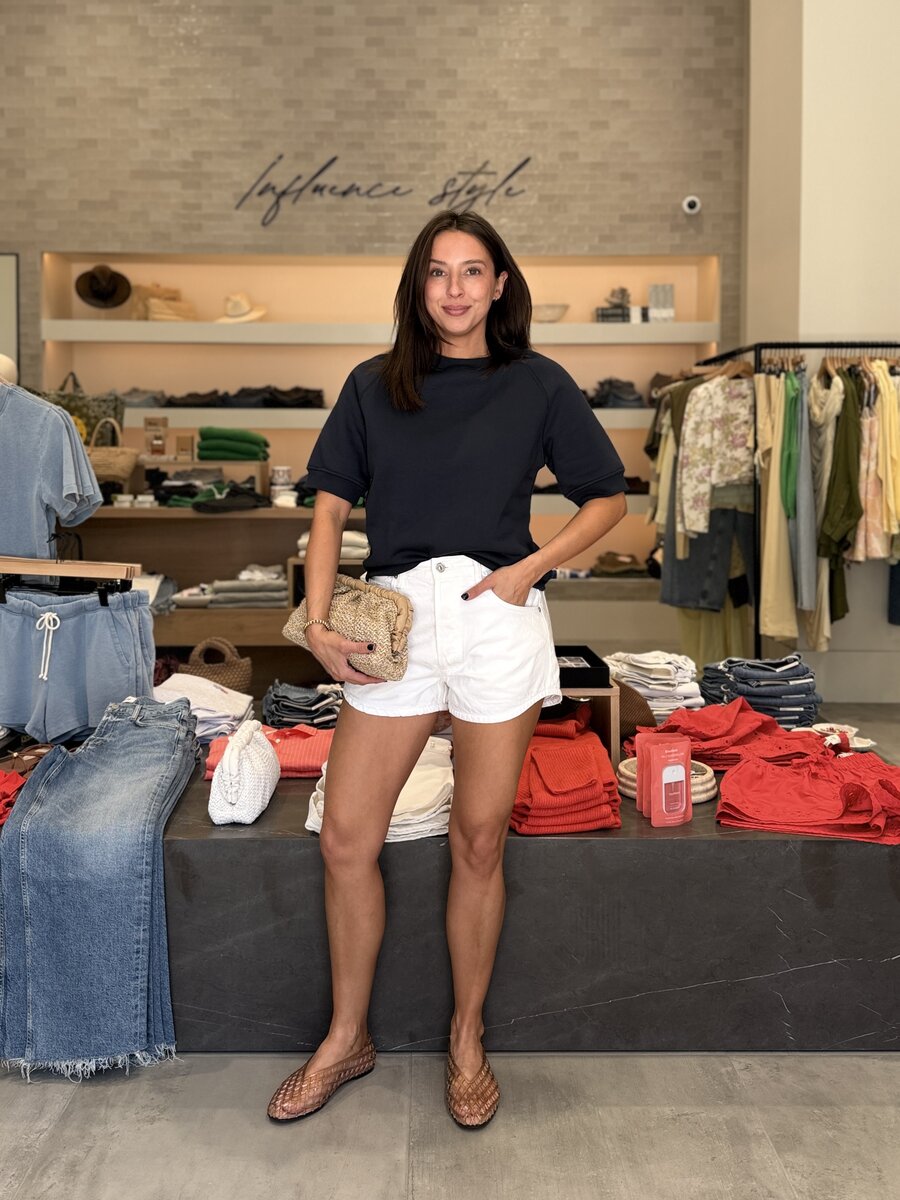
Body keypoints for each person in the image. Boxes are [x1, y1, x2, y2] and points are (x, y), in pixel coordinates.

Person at [267, 210, 627, 1128]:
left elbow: (606, 497)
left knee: (478, 839)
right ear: (417, 285)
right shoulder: (372, 384)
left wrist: (530, 568)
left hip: (495, 618)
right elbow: (328, 512)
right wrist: (316, 624)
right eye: (438, 271)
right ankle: (347, 1038)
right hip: (396, 625)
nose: (456, 288)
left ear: (500, 285)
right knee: (347, 837)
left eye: (473, 271)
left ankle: (467, 1038)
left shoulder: (537, 383)